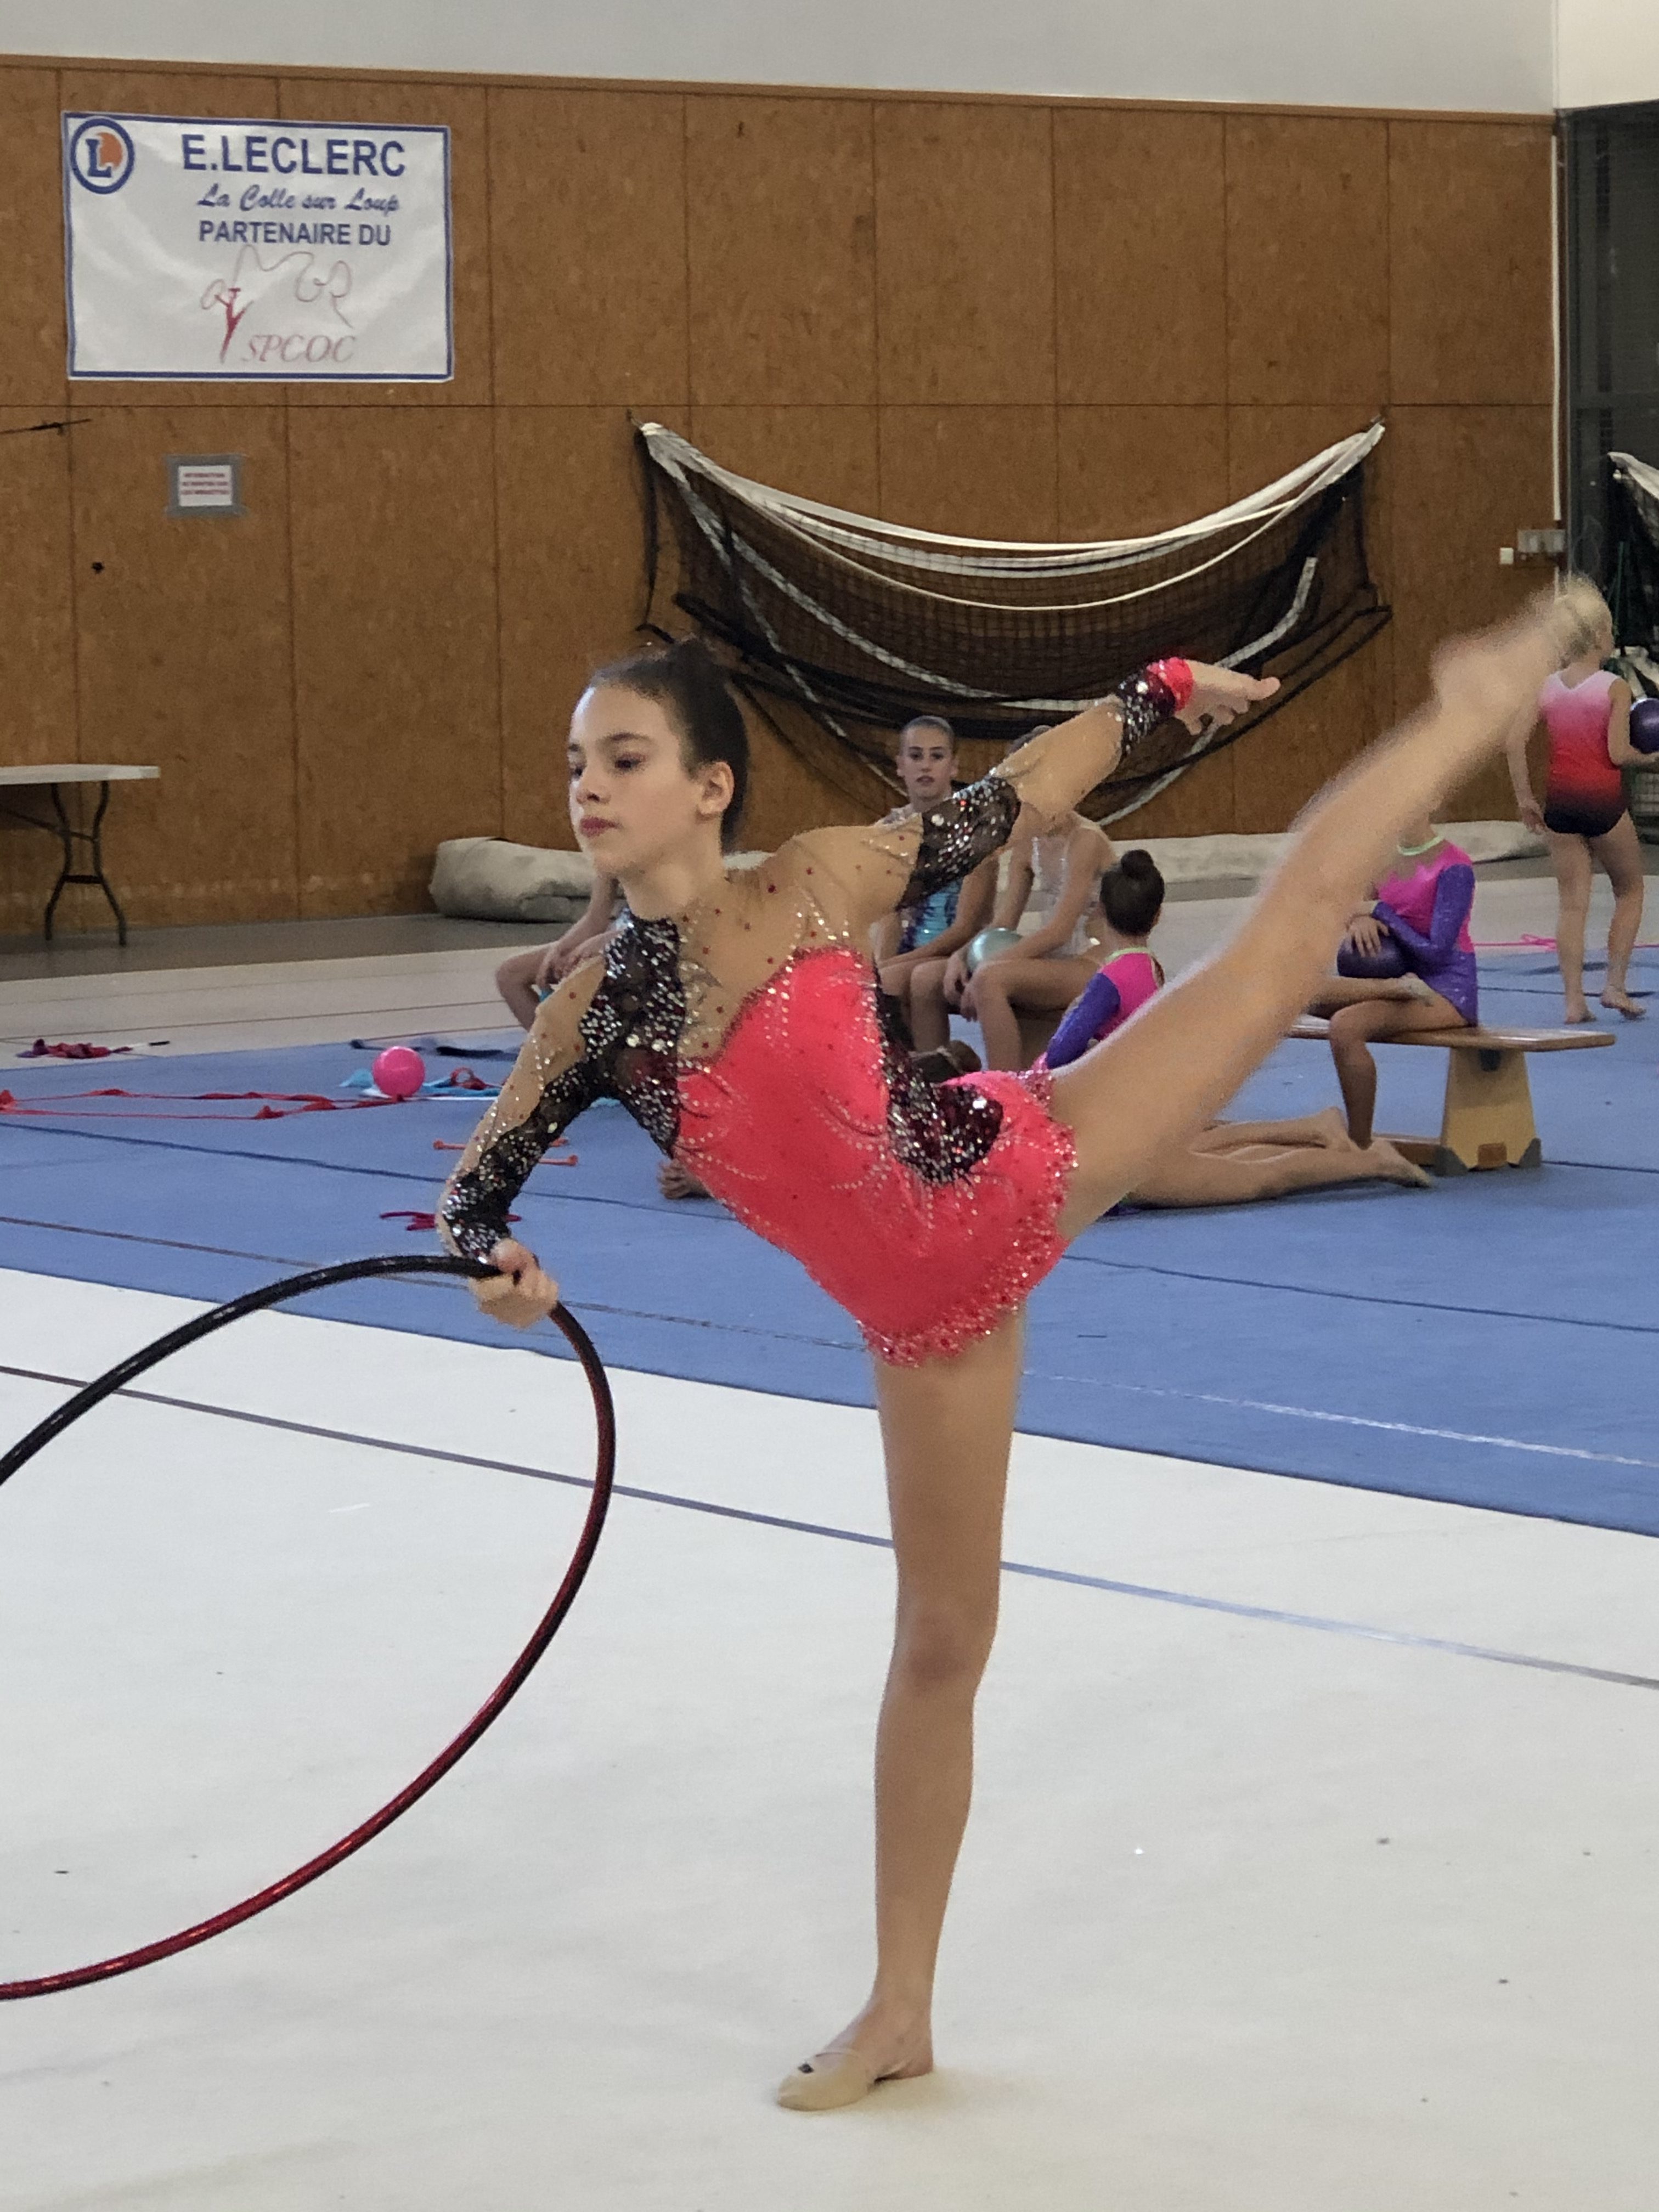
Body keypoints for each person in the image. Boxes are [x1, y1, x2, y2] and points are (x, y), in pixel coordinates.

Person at [438, 587, 1597, 2113]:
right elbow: (473, 1201)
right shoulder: (592, 1015)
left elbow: (1016, 797)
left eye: (626, 758)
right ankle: (900, 2013)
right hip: (929, 1319)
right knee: (939, 1646)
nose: (588, 788)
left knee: (1286, 936)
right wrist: (509, 1283)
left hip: (1015, 1167)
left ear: (711, 787)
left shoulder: (813, 883)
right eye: (578, 764)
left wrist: (1159, 687)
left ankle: (1466, 703)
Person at [1042, 850, 1429, 1202]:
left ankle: (1363, 1156)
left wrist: (1061, 1037)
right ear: (1157, 916)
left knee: (1253, 1173)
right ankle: (1317, 1131)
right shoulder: (1149, 967)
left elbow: (1060, 1055)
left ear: (1100, 912)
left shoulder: (1108, 981)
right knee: (1231, 1157)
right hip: (1141, 1121)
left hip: (1128, 1137)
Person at [1504, 587, 1645, 1021]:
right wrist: (1653, 757)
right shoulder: (1615, 688)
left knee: (1572, 904)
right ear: (1601, 635)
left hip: (1560, 805)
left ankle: (1573, 1002)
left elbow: (1512, 742)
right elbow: (1619, 754)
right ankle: (1615, 987)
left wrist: (1526, 799)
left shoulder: (1547, 688)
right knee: (1631, 889)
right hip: (1602, 802)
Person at [1304, 819, 1478, 1148]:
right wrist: (1358, 919)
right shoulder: (1382, 860)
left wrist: (1381, 911)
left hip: (1446, 990)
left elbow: (1437, 952)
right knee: (1296, 999)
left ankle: (1360, 1145)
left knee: (1346, 1027)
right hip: (1396, 981)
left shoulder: (1455, 867)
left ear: (1434, 801)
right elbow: (1353, 904)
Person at [949, 738, 1117, 1068]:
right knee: (934, 978)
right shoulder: (1027, 842)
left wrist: (987, 967)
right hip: (1057, 960)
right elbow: (1003, 923)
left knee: (990, 980)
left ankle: (1004, 1092)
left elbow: (1060, 930)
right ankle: (935, 1075)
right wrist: (962, 953)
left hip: (1095, 961)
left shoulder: (1086, 840)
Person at [872, 717, 997, 1056]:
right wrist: (880, 963)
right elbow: (888, 916)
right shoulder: (889, 831)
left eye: (937, 756)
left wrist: (890, 968)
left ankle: (929, 1079)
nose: (925, 765)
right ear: (900, 765)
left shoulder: (976, 830)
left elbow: (967, 926)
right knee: (866, 984)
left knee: (894, 981)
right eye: (915, 756)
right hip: (909, 955)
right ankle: (899, 1078)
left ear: (954, 764)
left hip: (963, 950)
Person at [493, 867, 620, 1028]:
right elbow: (595, 918)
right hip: (619, 931)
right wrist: (559, 950)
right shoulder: (608, 853)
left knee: (591, 966)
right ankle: (550, 1048)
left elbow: (660, 927)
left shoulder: (656, 849)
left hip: (650, 945)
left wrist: (609, 941)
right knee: (510, 974)